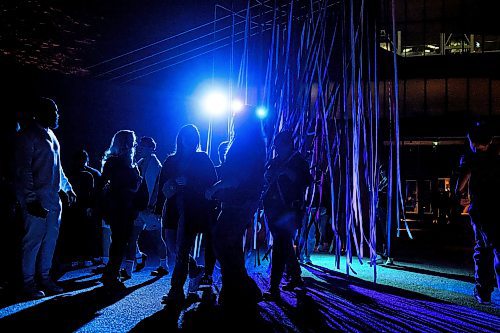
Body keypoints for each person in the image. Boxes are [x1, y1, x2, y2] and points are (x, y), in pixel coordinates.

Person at [15, 97, 77, 299]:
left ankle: (44, 278)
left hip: (52, 199)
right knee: (32, 242)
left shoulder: (52, 135)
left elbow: (57, 167)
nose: (57, 115)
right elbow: (23, 171)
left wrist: (67, 188)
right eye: (54, 111)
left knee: (50, 241)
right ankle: (27, 283)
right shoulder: (27, 136)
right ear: (41, 112)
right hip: (37, 200)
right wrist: (31, 200)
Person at [205, 108, 266, 311]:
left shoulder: (245, 146)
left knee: (222, 242)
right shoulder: (255, 144)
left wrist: (216, 187)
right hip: (244, 201)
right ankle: (238, 291)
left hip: (239, 201)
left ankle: (240, 288)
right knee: (230, 245)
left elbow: (239, 178)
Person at [159, 125, 217, 306]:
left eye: (193, 137)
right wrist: (170, 187)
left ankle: (176, 291)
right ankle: (195, 272)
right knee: (173, 247)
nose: (189, 140)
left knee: (182, 250)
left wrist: (190, 183)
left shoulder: (202, 158)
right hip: (172, 208)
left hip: (192, 210)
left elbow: (212, 183)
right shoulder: (171, 160)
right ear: (180, 139)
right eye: (186, 137)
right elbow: (162, 186)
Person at [263, 130, 312, 299]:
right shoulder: (275, 161)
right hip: (274, 209)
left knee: (279, 245)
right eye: (276, 146)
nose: (277, 149)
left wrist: (287, 172)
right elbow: (267, 178)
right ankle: (296, 276)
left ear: (288, 145)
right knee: (284, 244)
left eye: (280, 146)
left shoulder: (298, 161)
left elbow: (306, 181)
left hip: (290, 210)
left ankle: (274, 287)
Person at [456, 122, 500, 305]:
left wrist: (460, 194)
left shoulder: (470, 160)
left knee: (482, 249)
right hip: (498, 208)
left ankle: (483, 291)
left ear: (472, 141)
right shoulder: (497, 158)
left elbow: (460, 186)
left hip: (481, 211)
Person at [100, 130, 143, 291]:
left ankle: (111, 273)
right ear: (125, 143)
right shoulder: (118, 163)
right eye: (132, 141)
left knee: (119, 241)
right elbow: (122, 186)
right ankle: (111, 274)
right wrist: (135, 186)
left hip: (120, 207)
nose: (135, 144)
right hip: (120, 207)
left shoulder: (116, 161)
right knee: (119, 241)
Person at [121, 136, 168, 279]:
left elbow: (158, 189)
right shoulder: (139, 163)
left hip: (150, 209)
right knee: (132, 238)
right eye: (139, 145)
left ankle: (163, 265)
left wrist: (155, 207)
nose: (139, 148)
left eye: (143, 146)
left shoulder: (156, 165)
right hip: (138, 208)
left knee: (157, 238)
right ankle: (128, 270)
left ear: (151, 149)